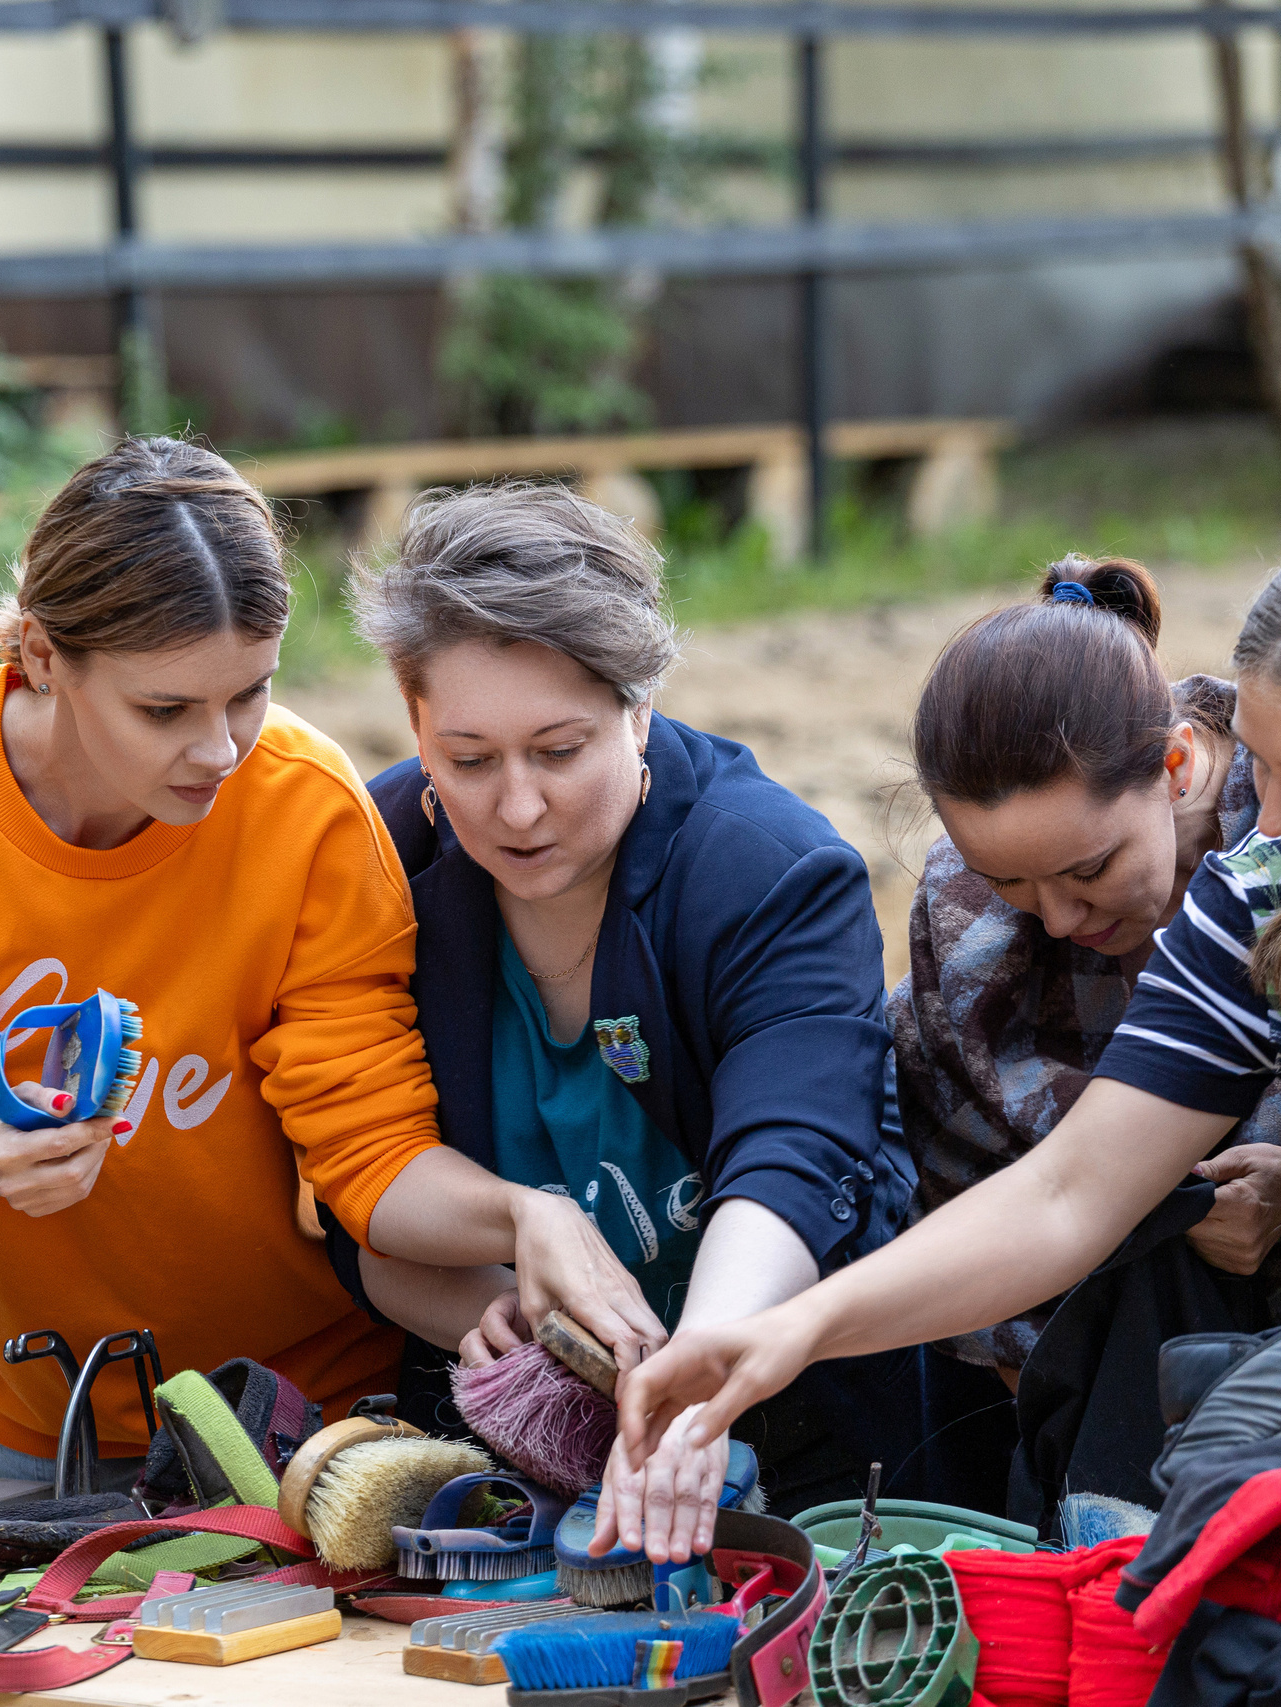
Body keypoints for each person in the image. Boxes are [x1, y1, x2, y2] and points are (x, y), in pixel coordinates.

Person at [608, 503, 1281, 1557]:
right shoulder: (1261, 901)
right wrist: (788, 1329)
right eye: (1262, 765)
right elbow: (1067, 1194)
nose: (1270, 815)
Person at [0, 438, 658, 1489]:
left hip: (312, 1411)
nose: (219, 750)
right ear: (42, 654)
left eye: (250, 693)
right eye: (165, 710)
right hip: (51, 1411)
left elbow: (367, 1148)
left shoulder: (307, 807)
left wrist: (525, 1214)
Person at [339, 482, 922, 1522]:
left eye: (560, 751)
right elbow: (348, 1187)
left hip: (809, 1442)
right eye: (468, 759)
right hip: (500, 1473)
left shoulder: (771, 871)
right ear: (413, 722)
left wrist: (697, 1372)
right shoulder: (374, 866)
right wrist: (481, 1303)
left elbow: (796, 1156)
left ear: (639, 709)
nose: (517, 806)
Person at [889, 553, 1281, 1514]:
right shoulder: (964, 926)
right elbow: (969, 1204)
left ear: (1176, 764)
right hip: (1085, 1358)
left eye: (1089, 870)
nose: (1058, 917)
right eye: (1008, 879)